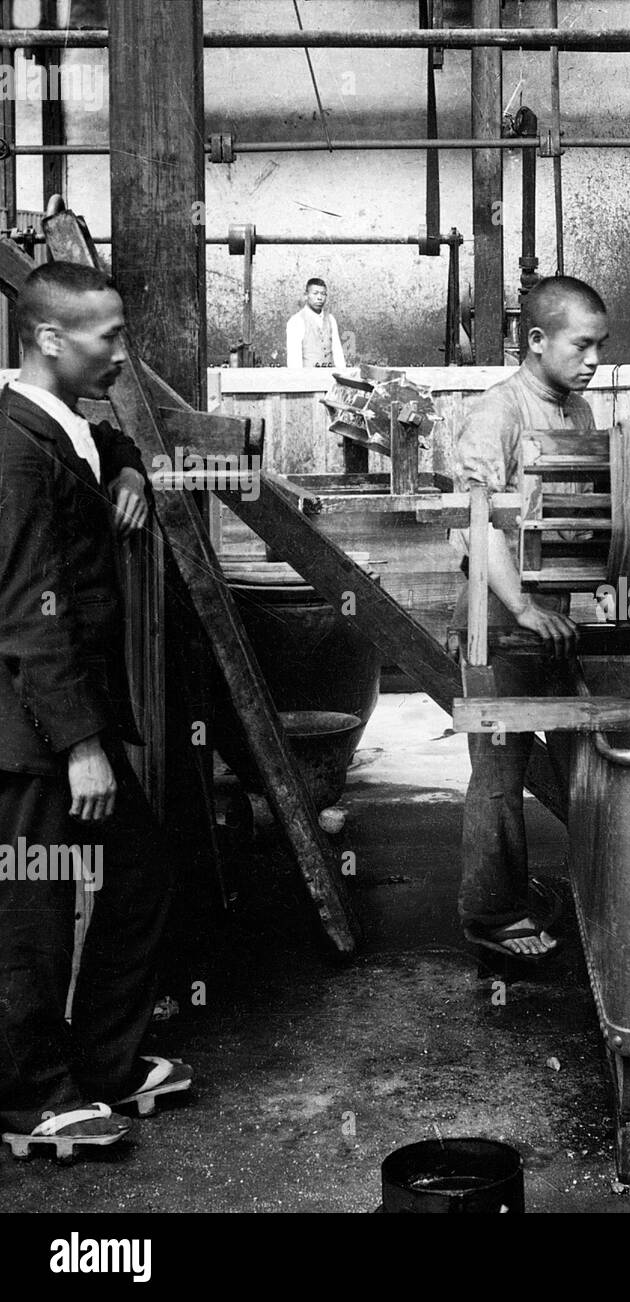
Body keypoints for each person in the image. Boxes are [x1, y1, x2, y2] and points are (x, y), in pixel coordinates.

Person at [0, 263, 190, 1159]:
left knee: (142, 870)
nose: (122, 351)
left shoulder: (68, 427)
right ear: (47, 339)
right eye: (106, 338)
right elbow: (24, 612)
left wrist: (131, 469)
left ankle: (103, 1065)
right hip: (29, 733)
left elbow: (100, 443)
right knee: (29, 907)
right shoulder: (10, 445)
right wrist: (80, 746)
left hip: (70, 722)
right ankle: (27, 1100)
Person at [451, 275, 609, 959]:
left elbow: (589, 514)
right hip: (501, 621)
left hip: (554, 619)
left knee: (581, 761)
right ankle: (492, 916)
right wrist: (521, 605)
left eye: (601, 346)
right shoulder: (498, 413)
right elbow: (475, 525)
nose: (595, 359)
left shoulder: (578, 416)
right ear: (538, 340)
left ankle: (602, 880)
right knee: (497, 774)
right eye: (583, 345)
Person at [285, 277, 346, 369]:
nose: (319, 298)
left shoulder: (330, 319)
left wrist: (342, 373)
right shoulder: (296, 321)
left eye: (323, 294)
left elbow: (337, 351)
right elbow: (294, 359)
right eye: (315, 293)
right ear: (306, 295)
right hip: (308, 379)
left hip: (330, 377)